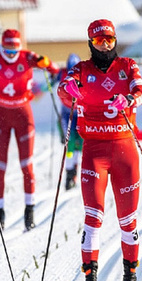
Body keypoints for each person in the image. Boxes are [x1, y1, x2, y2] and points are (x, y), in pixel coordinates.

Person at [57, 19, 142, 281]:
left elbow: (141, 94)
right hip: (94, 150)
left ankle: (130, 277)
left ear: (115, 41)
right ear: (90, 44)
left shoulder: (128, 65)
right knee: (93, 218)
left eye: (109, 40)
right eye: (98, 42)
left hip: (124, 150)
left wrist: (129, 99)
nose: (104, 46)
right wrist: (69, 89)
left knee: (127, 221)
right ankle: (90, 280)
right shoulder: (82, 69)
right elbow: (64, 89)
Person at [0, 29, 59, 233]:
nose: (11, 54)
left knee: (26, 165)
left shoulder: (27, 57)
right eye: (7, 50)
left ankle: (29, 211)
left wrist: (46, 63)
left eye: (14, 50)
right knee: (0, 166)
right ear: (1, 47)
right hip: (0, 117)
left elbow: (55, 71)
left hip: (23, 116)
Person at [57, 53, 83, 190]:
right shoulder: (61, 74)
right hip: (67, 113)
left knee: (81, 143)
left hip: (81, 112)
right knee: (69, 143)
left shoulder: (84, 74)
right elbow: (48, 84)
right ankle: (69, 172)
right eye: (70, 69)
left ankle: (75, 170)